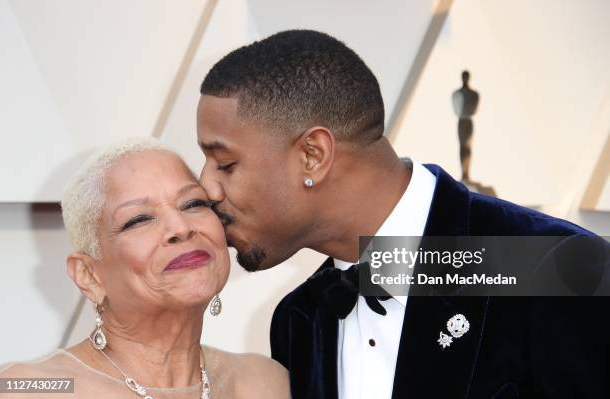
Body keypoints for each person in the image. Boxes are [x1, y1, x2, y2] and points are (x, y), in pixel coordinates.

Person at [196, 30, 610, 398]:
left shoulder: (555, 270)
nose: (207, 187)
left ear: (313, 155)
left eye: (225, 163)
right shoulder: (298, 320)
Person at [0, 138, 290, 399]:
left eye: (193, 204)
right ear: (89, 276)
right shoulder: (26, 388)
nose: (180, 228)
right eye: (138, 220)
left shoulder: (264, 382)